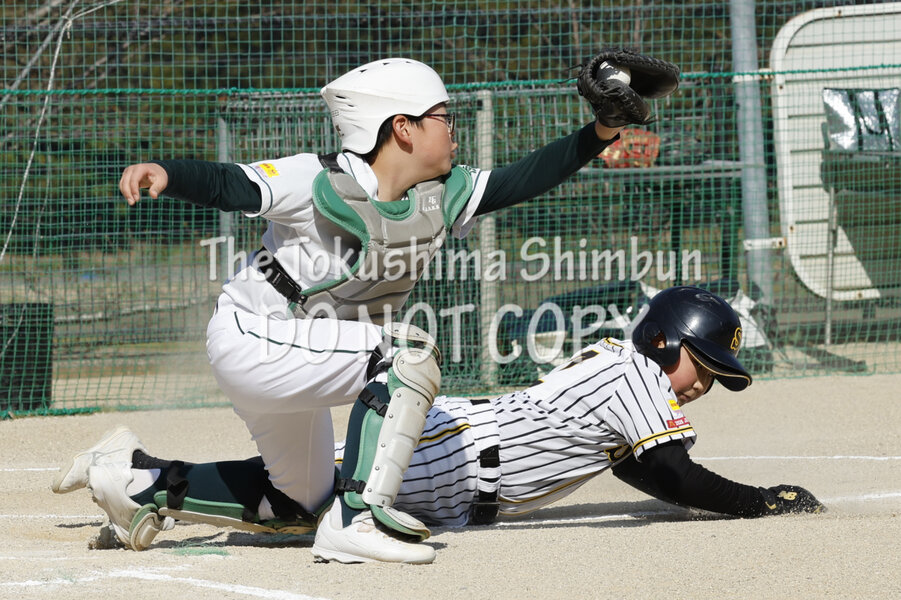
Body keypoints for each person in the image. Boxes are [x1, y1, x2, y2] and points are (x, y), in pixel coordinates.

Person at [104, 57, 639, 563]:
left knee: (299, 502)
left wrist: (602, 130)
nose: (452, 129)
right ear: (403, 128)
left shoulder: (440, 192)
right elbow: (232, 184)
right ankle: (357, 520)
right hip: (253, 338)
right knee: (405, 353)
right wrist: (167, 172)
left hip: (306, 352)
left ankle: (137, 484)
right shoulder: (316, 178)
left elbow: (525, 177)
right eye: (442, 117)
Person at [52, 286, 824, 562]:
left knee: (298, 493)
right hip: (450, 458)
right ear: (662, 342)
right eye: (702, 366)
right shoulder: (638, 374)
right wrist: (755, 502)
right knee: (304, 506)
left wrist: (712, 494)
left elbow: (639, 466)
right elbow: (672, 473)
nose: (703, 385)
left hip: (451, 450)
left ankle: (142, 473)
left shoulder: (624, 375)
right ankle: (140, 483)